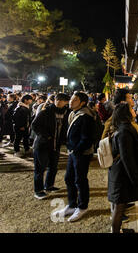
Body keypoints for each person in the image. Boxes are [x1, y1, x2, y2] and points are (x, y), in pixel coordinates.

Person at [108, 102, 138, 233]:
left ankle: (117, 229)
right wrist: (135, 179)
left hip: (119, 172)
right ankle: (115, 231)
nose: (134, 110)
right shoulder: (124, 131)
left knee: (119, 205)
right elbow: (127, 158)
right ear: (125, 114)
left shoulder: (123, 128)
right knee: (119, 206)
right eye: (131, 109)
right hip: (122, 174)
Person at [55, 92, 95, 222]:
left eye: (75, 99)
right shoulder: (73, 113)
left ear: (82, 102)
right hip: (73, 152)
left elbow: (87, 139)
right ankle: (72, 205)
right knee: (69, 178)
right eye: (71, 99)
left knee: (80, 180)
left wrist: (76, 150)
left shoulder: (86, 116)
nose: (71, 101)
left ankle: (82, 207)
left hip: (81, 153)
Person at [31, 93, 70, 200]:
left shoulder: (67, 113)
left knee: (53, 167)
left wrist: (63, 140)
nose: (59, 102)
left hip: (56, 145)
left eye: (62, 100)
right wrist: (46, 136)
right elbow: (34, 125)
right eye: (57, 99)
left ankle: (49, 186)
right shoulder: (46, 111)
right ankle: (38, 190)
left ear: (66, 102)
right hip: (42, 144)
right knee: (40, 168)